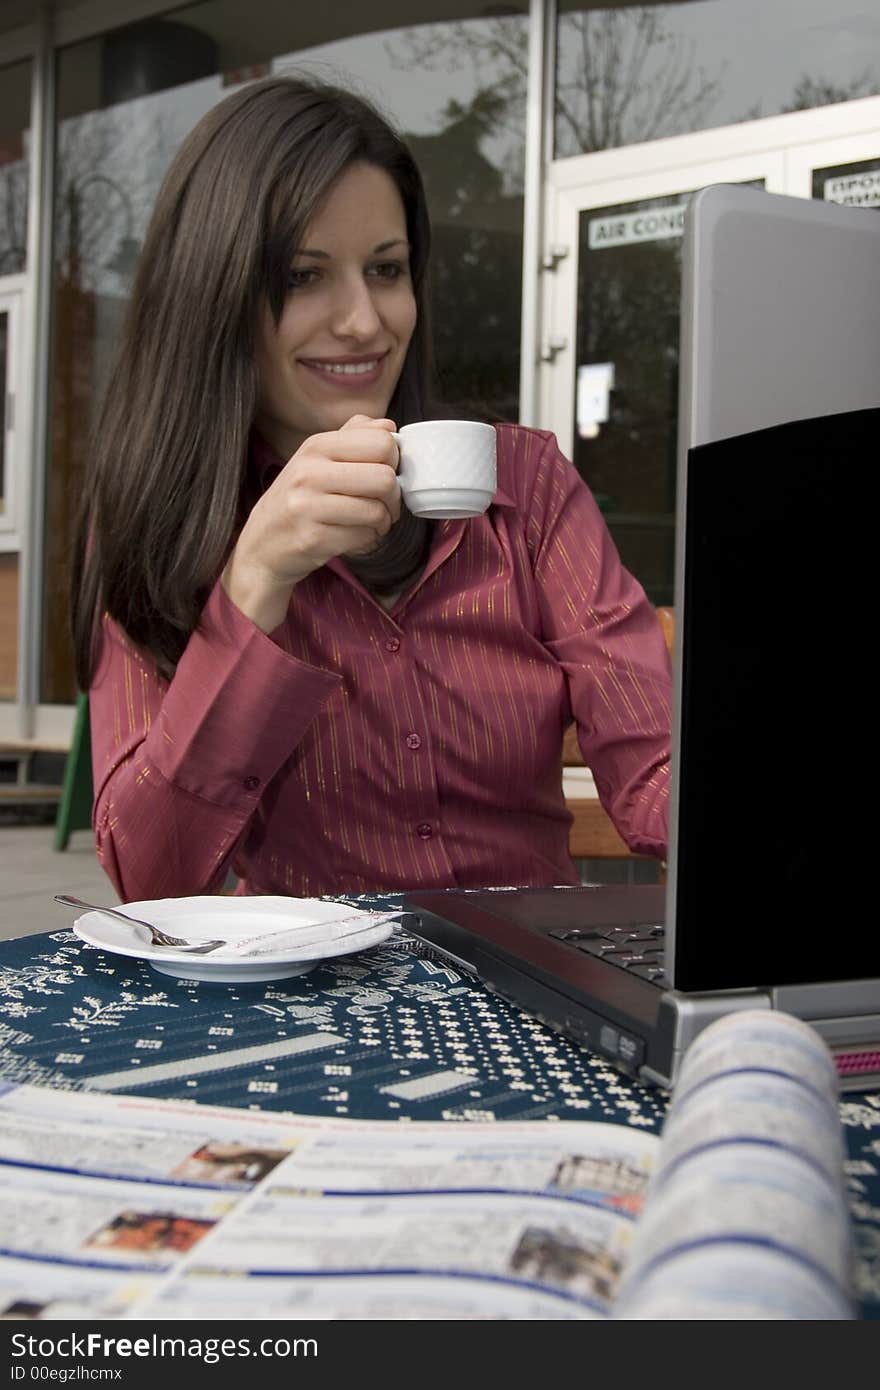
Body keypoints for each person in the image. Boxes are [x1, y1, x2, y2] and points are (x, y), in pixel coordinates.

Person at [72, 75, 671, 904]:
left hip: (526, 990)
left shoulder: (525, 486)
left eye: (385, 269)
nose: (364, 321)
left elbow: (656, 767)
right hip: (299, 1001)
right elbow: (151, 875)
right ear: (215, 295)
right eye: (304, 276)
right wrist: (251, 588)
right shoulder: (160, 521)